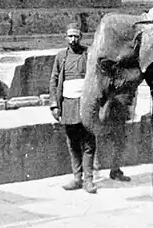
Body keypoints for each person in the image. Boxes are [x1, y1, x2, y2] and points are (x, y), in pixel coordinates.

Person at [49, 24, 97, 194]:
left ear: (81, 37)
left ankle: (89, 180)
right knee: (73, 142)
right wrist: (54, 104)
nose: (73, 40)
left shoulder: (88, 54)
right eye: (70, 36)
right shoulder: (61, 56)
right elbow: (54, 81)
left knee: (89, 142)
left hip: (85, 104)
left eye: (76, 36)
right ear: (65, 37)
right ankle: (77, 177)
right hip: (68, 103)